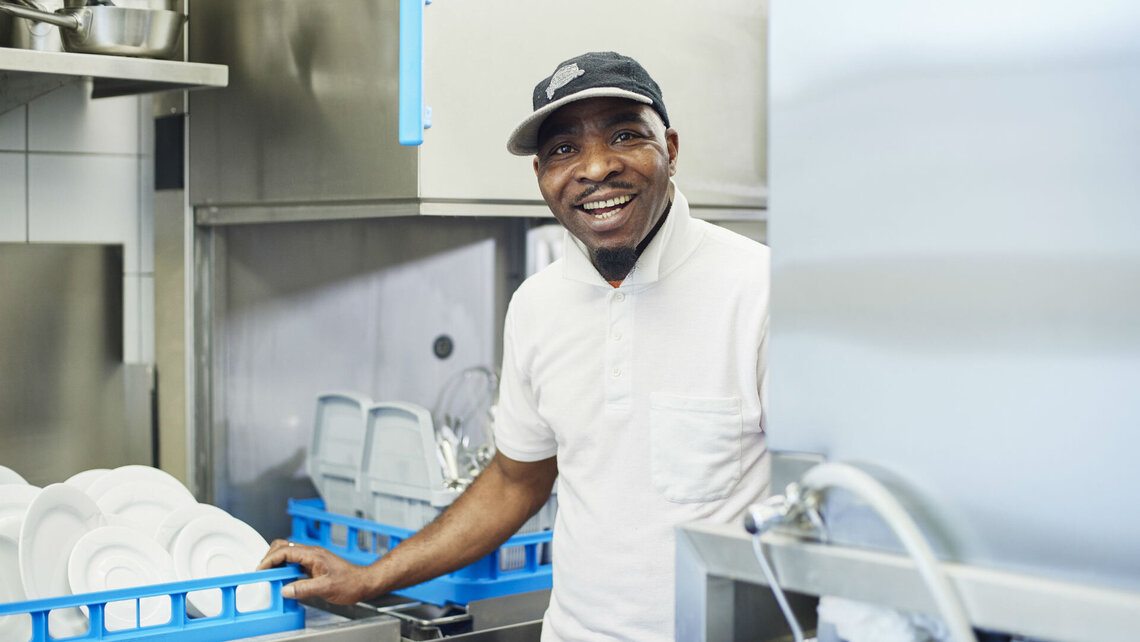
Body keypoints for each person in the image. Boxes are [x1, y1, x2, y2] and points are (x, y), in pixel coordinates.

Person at [259, 51, 770, 641]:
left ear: (671, 149)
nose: (596, 168)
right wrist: (370, 578)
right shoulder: (537, 305)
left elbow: (832, 508)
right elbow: (515, 480)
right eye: (563, 149)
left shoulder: (759, 289)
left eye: (625, 135)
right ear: (540, 176)